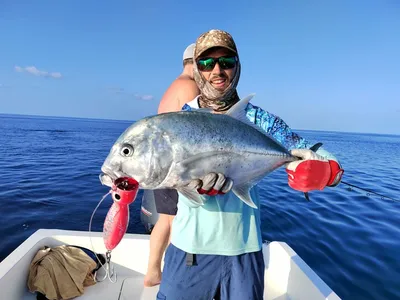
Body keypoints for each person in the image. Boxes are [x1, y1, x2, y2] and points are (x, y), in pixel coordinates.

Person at [156, 29, 344, 300]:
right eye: (207, 63)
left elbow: (312, 150)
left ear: (237, 67)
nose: (217, 71)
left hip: (243, 250)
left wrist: (328, 171)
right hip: (190, 250)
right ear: (196, 69)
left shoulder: (260, 121)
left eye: (227, 62)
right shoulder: (181, 122)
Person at [143, 43, 200, 287]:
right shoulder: (190, 86)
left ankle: (153, 271)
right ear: (196, 62)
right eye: (206, 63)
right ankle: (180, 275)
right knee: (179, 221)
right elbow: (194, 132)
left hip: (162, 167)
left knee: (165, 220)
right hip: (175, 169)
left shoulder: (173, 86)